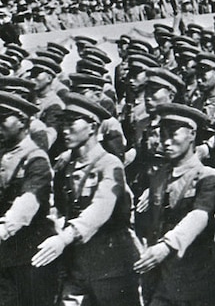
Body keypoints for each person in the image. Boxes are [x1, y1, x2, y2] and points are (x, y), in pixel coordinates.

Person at [32, 93, 140, 306]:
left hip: (113, 266)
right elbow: (60, 208)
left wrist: (64, 238)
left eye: (72, 123)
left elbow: (100, 209)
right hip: (78, 266)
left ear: (92, 127)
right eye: (63, 123)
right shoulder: (66, 166)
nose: (65, 130)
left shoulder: (109, 164)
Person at [134, 103, 215, 306]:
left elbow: (199, 217)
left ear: (192, 134)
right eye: (163, 133)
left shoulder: (207, 177)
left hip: (198, 282)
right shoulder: (159, 176)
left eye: (174, 133)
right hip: (163, 281)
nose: (166, 141)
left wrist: (166, 246)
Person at [0, 91, 58, 306]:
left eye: (2, 119)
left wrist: (4, 229)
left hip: (30, 253)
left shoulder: (36, 159)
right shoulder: (4, 153)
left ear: (22, 121)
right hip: (6, 253)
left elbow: (27, 203)